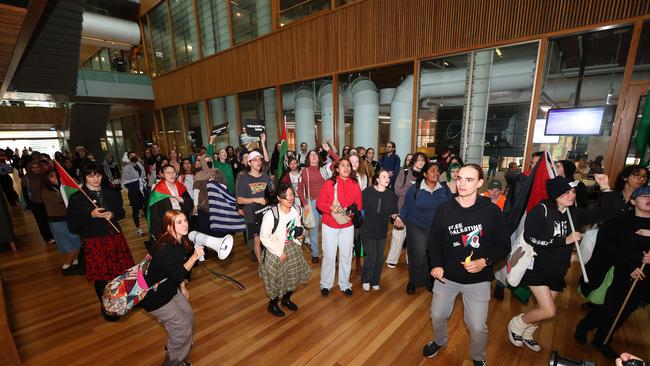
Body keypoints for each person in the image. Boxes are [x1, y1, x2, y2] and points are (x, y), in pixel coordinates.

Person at [507, 174, 616, 353]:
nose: (572, 195)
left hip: (557, 270)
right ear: (556, 194)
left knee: (542, 309)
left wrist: (606, 188)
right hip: (537, 268)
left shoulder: (573, 213)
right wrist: (564, 241)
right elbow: (531, 238)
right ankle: (517, 324)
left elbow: (604, 213)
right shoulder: (540, 210)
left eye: (573, 191)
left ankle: (527, 334)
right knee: (549, 310)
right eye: (567, 192)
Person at [423, 164, 510, 365]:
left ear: (480, 183)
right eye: (459, 178)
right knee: (437, 315)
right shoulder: (445, 209)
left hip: (478, 280)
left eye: (469, 180)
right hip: (446, 277)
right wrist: (435, 265)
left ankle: (478, 358)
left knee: (477, 327)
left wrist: (485, 261)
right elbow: (434, 242)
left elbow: (504, 245)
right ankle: (439, 340)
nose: (461, 183)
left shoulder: (492, 210)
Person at [574, 186, 650, 359]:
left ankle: (602, 339)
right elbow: (606, 245)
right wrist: (630, 266)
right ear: (633, 201)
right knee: (611, 306)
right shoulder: (621, 220)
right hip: (622, 270)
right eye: (644, 195)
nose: (649, 198)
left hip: (645, 275)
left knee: (626, 309)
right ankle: (585, 326)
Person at [66, 162, 134, 322]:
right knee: (102, 278)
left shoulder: (110, 192)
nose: (95, 179)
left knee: (122, 273)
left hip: (115, 238)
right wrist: (91, 215)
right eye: (90, 175)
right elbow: (73, 225)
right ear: (84, 177)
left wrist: (113, 215)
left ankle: (123, 302)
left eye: (98, 175)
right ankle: (107, 309)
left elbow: (122, 212)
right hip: (95, 242)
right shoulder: (77, 197)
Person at [140, 210, 204, 366]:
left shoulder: (179, 241)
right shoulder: (165, 248)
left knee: (188, 315)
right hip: (155, 298)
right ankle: (173, 362)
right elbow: (177, 273)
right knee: (182, 329)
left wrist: (182, 287)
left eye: (185, 220)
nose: (185, 224)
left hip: (169, 288)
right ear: (169, 227)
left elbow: (176, 271)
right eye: (179, 222)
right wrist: (195, 257)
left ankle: (176, 345)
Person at [259, 184, 312, 317]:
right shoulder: (271, 215)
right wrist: (279, 252)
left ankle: (286, 299)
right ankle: (273, 304)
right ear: (278, 198)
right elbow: (264, 238)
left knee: (293, 276)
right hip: (275, 249)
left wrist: (300, 235)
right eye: (286, 196)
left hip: (292, 246)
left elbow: (297, 229)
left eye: (292, 195)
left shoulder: (296, 210)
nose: (290, 198)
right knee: (275, 279)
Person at [400, 162, 452, 294]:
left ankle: (430, 280)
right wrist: (401, 218)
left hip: (437, 228)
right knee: (418, 255)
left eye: (437, 170)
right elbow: (406, 207)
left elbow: (451, 208)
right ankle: (414, 281)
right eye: (432, 171)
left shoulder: (444, 189)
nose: (436, 173)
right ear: (424, 174)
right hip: (417, 226)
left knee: (433, 255)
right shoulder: (415, 189)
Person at [316, 158, 362, 296]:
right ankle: (326, 284)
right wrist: (330, 208)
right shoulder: (330, 183)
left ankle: (344, 284)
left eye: (348, 165)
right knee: (329, 256)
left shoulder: (355, 183)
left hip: (348, 224)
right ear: (337, 169)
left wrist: (353, 210)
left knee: (346, 255)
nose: (346, 168)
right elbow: (319, 204)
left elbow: (359, 203)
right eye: (343, 165)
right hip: (330, 224)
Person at [360, 169, 403, 291]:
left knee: (379, 257)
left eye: (388, 177)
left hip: (382, 230)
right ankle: (366, 279)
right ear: (377, 179)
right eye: (384, 177)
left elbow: (393, 212)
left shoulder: (390, 194)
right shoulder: (367, 192)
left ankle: (375, 280)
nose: (387, 179)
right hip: (367, 229)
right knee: (371, 256)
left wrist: (397, 218)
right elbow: (360, 208)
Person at [297, 143, 340, 263]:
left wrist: (329, 150)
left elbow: (338, 160)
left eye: (315, 154)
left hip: (326, 203)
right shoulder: (304, 171)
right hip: (312, 203)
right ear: (308, 159)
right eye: (311, 155)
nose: (314, 156)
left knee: (329, 229)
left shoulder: (324, 169)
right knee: (313, 230)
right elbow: (300, 189)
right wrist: (305, 204)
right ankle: (315, 254)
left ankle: (331, 253)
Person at [386, 152, 426, 268]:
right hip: (402, 209)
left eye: (423, 160)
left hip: (418, 212)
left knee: (413, 238)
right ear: (414, 161)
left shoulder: (424, 175)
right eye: (418, 160)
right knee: (398, 236)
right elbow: (397, 190)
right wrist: (414, 191)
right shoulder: (404, 172)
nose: (421, 162)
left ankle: (411, 260)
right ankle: (392, 260)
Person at [41, 167, 82, 275]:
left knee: (77, 242)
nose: (55, 178)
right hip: (58, 222)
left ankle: (75, 263)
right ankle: (66, 267)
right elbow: (61, 199)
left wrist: (71, 183)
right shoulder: (46, 190)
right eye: (51, 176)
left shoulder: (60, 187)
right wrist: (70, 186)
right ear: (47, 179)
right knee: (73, 245)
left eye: (56, 175)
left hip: (67, 219)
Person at [236, 150, 274, 262]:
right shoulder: (244, 178)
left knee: (268, 238)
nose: (258, 162)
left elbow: (270, 192)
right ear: (249, 163)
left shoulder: (265, 176)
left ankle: (270, 261)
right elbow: (239, 199)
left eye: (259, 159)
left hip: (266, 211)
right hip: (252, 214)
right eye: (255, 160)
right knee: (257, 240)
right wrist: (256, 199)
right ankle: (261, 265)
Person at [148, 165, 194, 241]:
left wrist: (183, 201)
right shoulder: (157, 192)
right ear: (162, 175)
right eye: (168, 173)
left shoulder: (180, 187)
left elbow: (190, 205)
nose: (172, 175)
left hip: (182, 225)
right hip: (168, 228)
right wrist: (159, 235)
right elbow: (155, 217)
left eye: (173, 172)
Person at [26, 158, 54, 245]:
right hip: (36, 203)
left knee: (50, 219)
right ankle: (47, 237)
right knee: (41, 222)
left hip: (47, 202)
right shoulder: (26, 178)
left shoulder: (44, 176)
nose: (36, 169)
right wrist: (30, 205)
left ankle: (53, 235)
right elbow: (25, 194)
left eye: (38, 167)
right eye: (34, 167)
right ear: (30, 168)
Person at [122, 151, 149, 237]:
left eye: (134, 155)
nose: (133, 156)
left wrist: (143, 182)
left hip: (143, 190)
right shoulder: (126, 168)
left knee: (146, 208)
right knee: (135, 209)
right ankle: (138, 228)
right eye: (131, 156)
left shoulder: (140, 165)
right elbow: (126, 182)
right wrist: (137, 182)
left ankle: (150, 225)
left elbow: (144, 176)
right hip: (134, 192)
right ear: (128, 158)